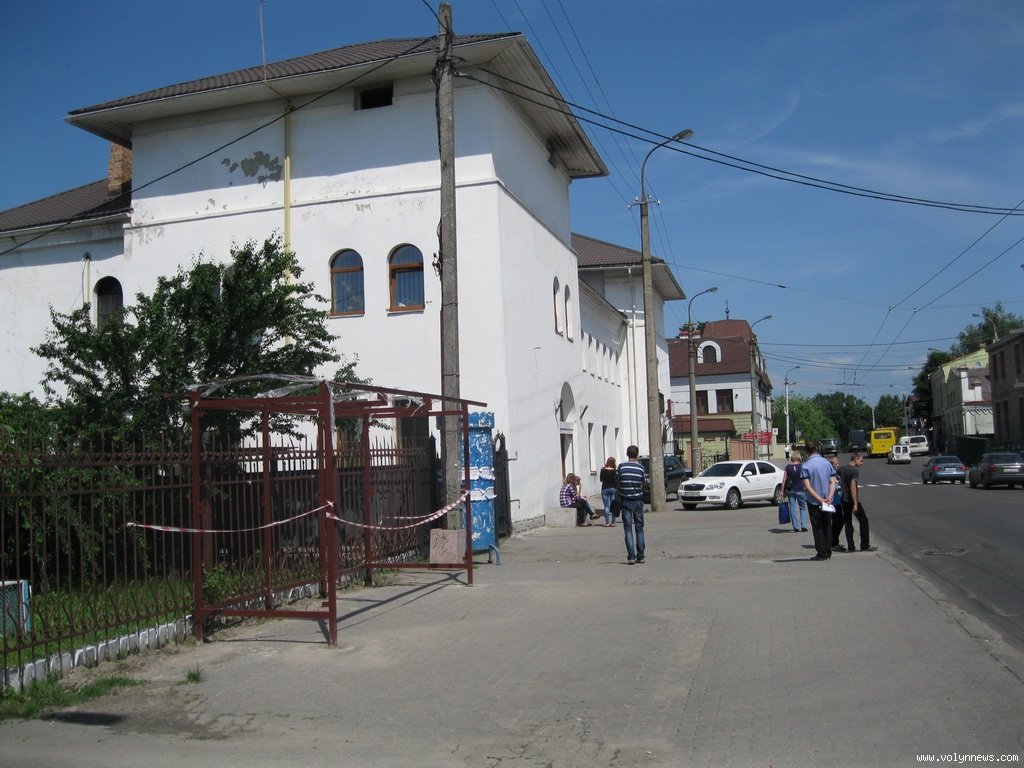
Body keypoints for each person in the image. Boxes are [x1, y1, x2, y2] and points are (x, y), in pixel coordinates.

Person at [800, 439, 836, 561]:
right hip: (828, 500)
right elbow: (832, 481)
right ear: (816, 449)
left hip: (814, 501)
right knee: (827, 525)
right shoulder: (827, 463)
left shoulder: (806, 466)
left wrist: (819, 499)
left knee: (818, 527)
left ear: (807, 451)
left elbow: (807, 486)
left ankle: (821, 553)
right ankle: (828, 551)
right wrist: (830, 496)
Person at [837, 452, 877, 552]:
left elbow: (836, 478)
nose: (862, 463)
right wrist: (855, 503)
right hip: (852, 499)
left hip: (843, 499)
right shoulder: (854, 471)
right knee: (863, 520)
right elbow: (853, 487)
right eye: (861, 460)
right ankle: (864, 545)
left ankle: (851, 547)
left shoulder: (842, 469)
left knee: (848, 522)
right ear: (855, 459)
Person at [616, 445, 648, 563]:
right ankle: (641, 555)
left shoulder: (621, 467)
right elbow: (643, 484)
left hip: (625, 501)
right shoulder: (641, 468)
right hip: (638, 500)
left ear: (627, 454)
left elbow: (618, 482)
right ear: (637, 455)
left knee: (628, 529)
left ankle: (631, 557)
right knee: (639, 528)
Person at [782, 452, 808, 532]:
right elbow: (805, 478)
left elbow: (784, 479)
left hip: (791, 490)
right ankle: (803, 526)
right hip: (801, 489)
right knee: (803, 507)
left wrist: (782, 491)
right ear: (799, 458)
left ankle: (795, 527)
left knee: (792, 508)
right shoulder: (802, 467)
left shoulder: (787, 467)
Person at [829, 456, 848, 550]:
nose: (837, 465)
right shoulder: (829, 474)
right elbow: (831, 487)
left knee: (840, 521)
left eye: (838, 463)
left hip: (838, 501)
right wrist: (839, 486)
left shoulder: (836, 474)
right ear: (831, 465)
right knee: (837, 522)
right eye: (835, 464)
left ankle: (834, 541)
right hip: (832, 503)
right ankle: (832, 542)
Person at [599, 457, 618, 527]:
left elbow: (601, 479)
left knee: (606, 506)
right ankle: (613, 522)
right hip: (613, 489)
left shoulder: (603, 470)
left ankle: (607, 523)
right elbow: (617, 480)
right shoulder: (615, 471)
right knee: (613, 506)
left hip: (605, 488)